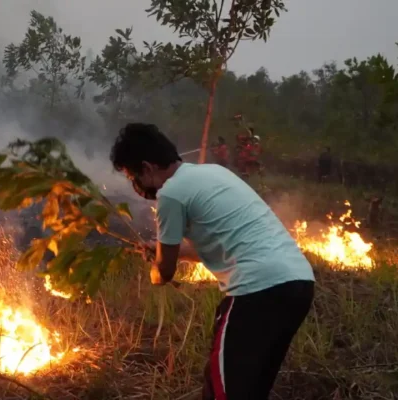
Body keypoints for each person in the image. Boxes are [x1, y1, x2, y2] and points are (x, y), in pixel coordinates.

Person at [110, 123, 315, 400]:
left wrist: (156, 268)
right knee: (251, 390)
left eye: (132, 176)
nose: (135, 186)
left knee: (223, 393)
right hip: (298, 284)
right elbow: (217, 246)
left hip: (255, 291)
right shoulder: (214, 173)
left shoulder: (171, 194)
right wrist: (168, 250)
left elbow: (164, 274)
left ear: (147, 168)